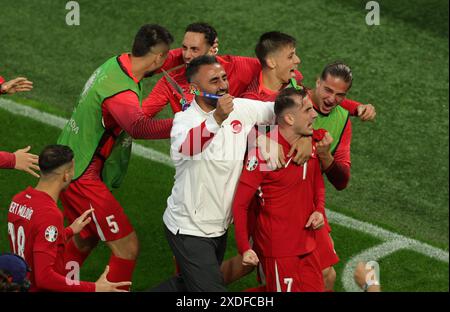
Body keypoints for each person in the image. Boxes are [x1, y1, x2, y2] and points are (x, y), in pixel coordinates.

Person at [57, 24, 175, 290]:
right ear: (157, 58)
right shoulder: (121, 92)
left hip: (70, 162)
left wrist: (185, 57)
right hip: (82, 174)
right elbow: (139, 127)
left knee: (85, 236)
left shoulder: (117, 63)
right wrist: (183, 122)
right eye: (166, 57)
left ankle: (50, 283)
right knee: (127, 247)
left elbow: (163, 59)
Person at [152, 55, 277, 292]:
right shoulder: (184, 121)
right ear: (194, 89)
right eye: (214, 81)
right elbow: (188, 147)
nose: (222, 85)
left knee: (190, 287)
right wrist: (218, 117)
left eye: (224, 78)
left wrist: (273, 135)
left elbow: (277, 110)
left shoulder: (240, 108)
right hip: (189, 228)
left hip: (218, 228)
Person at [233, 87, 327, 292]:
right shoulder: (264, 155)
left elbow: (316, 182)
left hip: (308, 243)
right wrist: (244, 248)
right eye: (308, 110)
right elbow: (240, 205)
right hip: (279, 249)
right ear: (290, 120)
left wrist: (319, 209)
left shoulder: (307, 143)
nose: (315, 114)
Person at [7, 144, 131, 292]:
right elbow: (44, 278)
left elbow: (34, 239)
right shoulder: (50, 215)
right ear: (66, 174)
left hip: (20, 284)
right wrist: (95, 288)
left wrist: (70, 230)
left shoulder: (18, 199)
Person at [142, 22, 265, 117]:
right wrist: (180, 124)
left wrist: (250, 100)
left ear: (212, 49)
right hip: (195, 145)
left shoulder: (238, 66)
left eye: (194, 49)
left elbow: (277, 69)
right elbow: (140, 117)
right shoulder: (171, 82)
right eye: (184, 48)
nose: (186, 55)